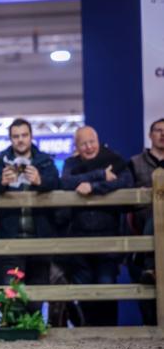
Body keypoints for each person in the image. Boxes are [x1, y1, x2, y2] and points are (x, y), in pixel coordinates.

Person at [60, 126, 132, 326]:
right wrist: (100, 174)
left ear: (98, 140)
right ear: (77, 146)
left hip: (109, 239)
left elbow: (126, 182)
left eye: (92, 142)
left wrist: (93, 187)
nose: (89, 147)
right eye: (83, 144)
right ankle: (87, 333)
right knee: (84, 290)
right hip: (78, 240)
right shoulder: (71, 163)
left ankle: (109, 333)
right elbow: (65, 182)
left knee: (106, 285)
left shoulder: (114, 158)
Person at [0, 118, 59, 286]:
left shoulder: (44, 160)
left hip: (40, 238)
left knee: (36, 298)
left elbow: (56, 182)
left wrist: (40, 180)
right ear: (10, 139)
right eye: (16, 136)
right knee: (11, 297)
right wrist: (1, 182)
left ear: (31, 137)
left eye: (24, 135)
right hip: (10, 238)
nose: (20, 139)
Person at [127, 117, 163, 324]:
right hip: (142, 235)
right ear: (150, 135)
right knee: (146, 294)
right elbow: (126, 201)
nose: (162, 134)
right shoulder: (134, 163)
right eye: (158, 130)